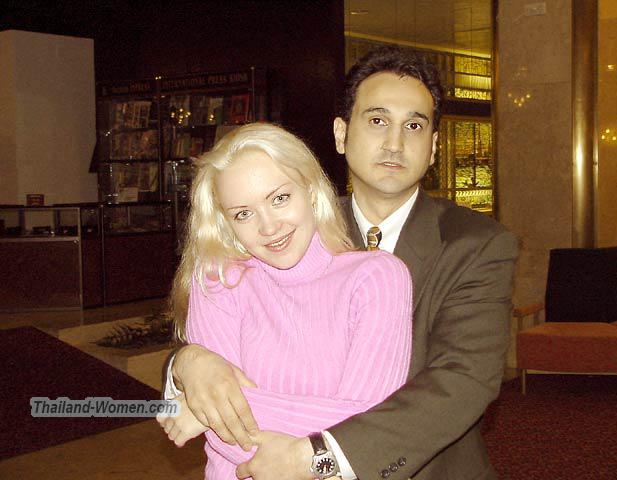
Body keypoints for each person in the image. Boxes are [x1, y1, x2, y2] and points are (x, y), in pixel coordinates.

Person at [163, 45, 518, 480]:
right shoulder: (288, 229)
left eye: (414, 125)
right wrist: (186, 364)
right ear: (341, 133)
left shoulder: (477, 244)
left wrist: (316, 458)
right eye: (377, 120)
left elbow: (462, 382)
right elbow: (222, 319)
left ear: (433, 148)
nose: (394, 143)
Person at [156, 122, 413, 479]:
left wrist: (205, 410)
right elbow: (228, 438)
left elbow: (372, 430)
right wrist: (210, 409)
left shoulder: (376, 278)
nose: (268, 227)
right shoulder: (218, 278)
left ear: (310, 189)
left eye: (279, 198)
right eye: (243, 213)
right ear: (226, 223)